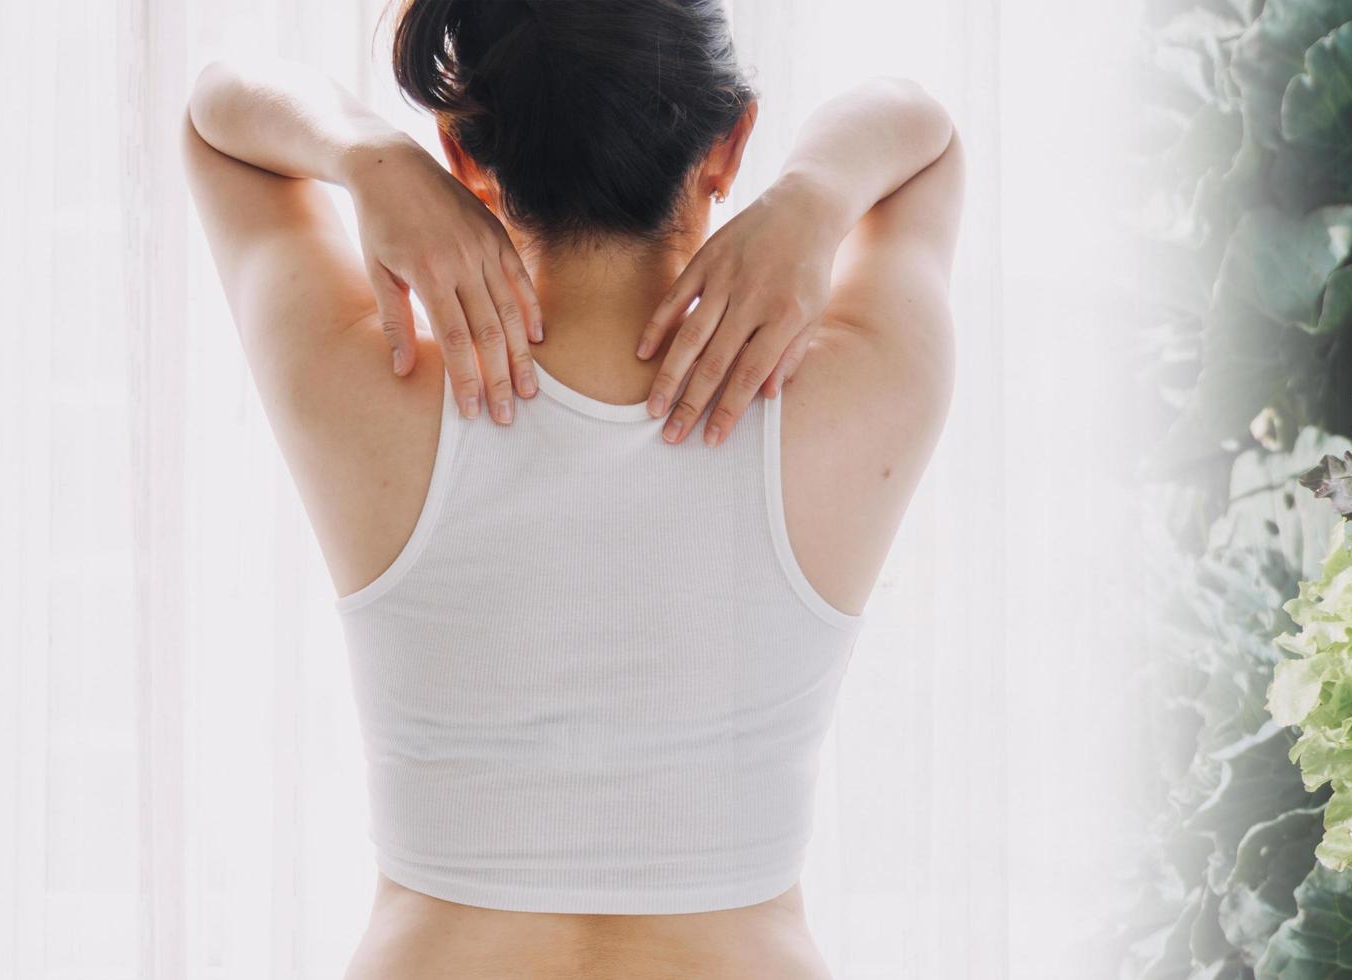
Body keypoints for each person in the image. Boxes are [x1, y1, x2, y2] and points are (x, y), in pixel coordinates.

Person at [182, 0, 960, 975]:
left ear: (465, 159)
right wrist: (812, 197)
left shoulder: (369, 385)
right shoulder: (850, 395)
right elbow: (924, 133)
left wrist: (370, 157)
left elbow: (217, 112)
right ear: (730, 146)